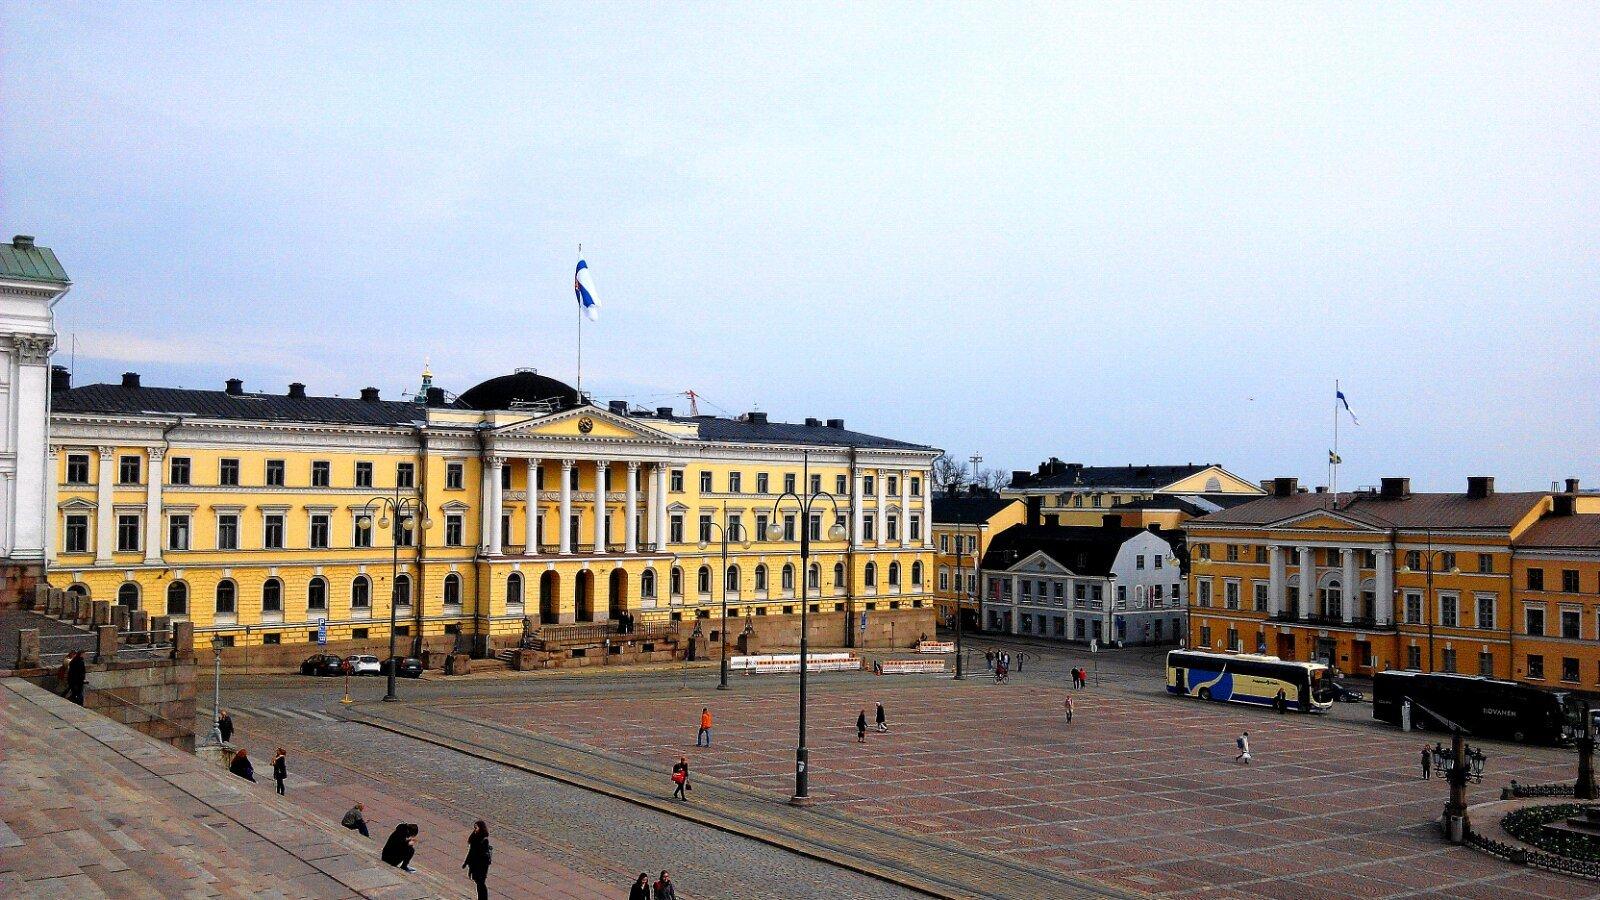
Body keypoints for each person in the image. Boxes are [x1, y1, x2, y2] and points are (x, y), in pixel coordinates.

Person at [462, 820, 491, 900]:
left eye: (476, 827)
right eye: (475, 827)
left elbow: (482, 853)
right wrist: (466, 862)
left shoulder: (484, 839)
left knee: (480, 883)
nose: (475, 829)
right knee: (478, 882)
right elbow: (471, 851)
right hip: (474, 863)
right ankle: (481, 898)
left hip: (481, 865)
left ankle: (483, 898)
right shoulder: (475, 836)